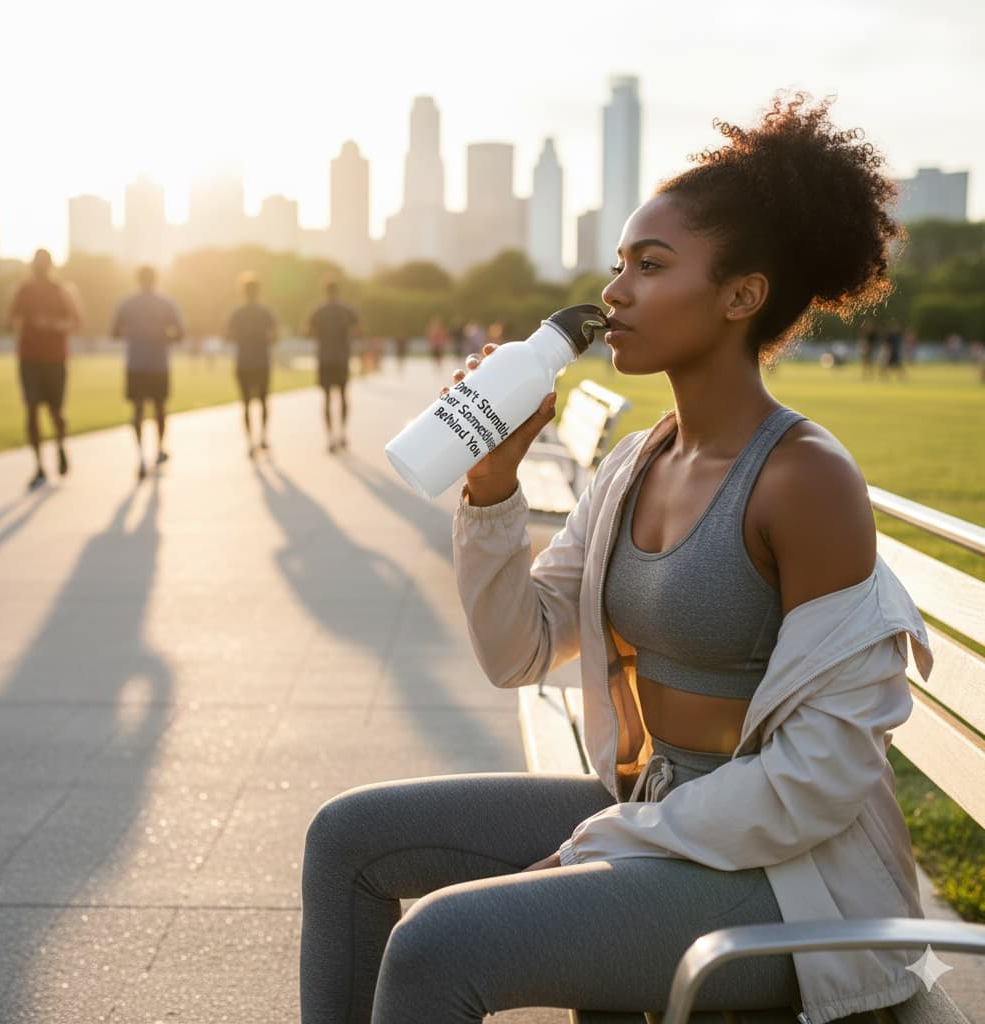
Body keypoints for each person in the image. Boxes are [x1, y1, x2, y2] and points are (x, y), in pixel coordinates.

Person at [299, 95, 935, 1023]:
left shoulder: (804, 481)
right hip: (654, 811)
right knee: (347, 840)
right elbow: (517, 653)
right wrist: (490, 486)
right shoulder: (642, 461)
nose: (615, 293)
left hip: (786, 881)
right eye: (617, 265)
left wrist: (616, 836)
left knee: (441, 945)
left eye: (650, 265)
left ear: (741, 295)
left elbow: (821, 781)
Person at [6, 249, 82, 490]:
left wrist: (53, 325)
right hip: (29, 358)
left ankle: (60, 446)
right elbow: (8, 321)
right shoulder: (22, 290)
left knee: (56, 412)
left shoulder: (62, 291)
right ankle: (39, 466)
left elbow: (77, 322)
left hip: (55, 359)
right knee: (31, 410)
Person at [111, 265, 185, 480]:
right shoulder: (166, 304)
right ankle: (159, 448)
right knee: (160, 408)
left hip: (136, 363)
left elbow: (114, 332)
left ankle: (141, 455)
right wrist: (161, 336)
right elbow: (180, 333)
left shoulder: (127, 303)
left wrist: (136, 333)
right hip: (158, 363)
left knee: (138, 409)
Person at [226, 272, 278, 456]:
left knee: (246, 403)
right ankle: (263, 437)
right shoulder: (265, 312)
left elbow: (228, 336)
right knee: (263, 401)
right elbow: (274, 337)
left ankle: (250, 441)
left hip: (244, 362)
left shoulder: (238, 313)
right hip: (261, 361)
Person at [306, 280, 359, 453]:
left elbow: (307, 332)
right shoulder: (346, 310)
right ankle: (342, 433)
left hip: (325, 358)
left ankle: (329, 437)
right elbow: (358, 330)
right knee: (343, 396)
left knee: (327, 398)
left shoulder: (318, 310)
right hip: (341, 358)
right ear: (338, 290)